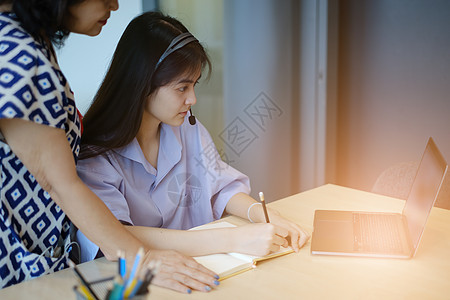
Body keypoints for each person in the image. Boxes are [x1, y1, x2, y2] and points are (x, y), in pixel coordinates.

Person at [0, 0, 219, 294]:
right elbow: (60, 183)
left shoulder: (29, 43)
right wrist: (143, 259)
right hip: (16, 260)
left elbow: (221, 182)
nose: (114, 6)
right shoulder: (20, 54)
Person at [76, 11, 310, 265]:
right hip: (142, 278)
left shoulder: (186, 128)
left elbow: (220, 186)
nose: (193, 99)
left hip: (206, 268)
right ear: (142, 84)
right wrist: (232, 239)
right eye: (182, 88)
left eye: (194, 85)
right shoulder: (95, 156)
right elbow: (116, 235)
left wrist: (263, 215)